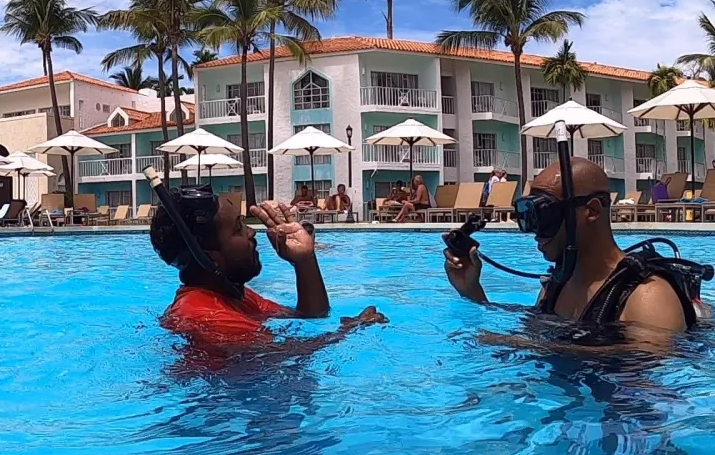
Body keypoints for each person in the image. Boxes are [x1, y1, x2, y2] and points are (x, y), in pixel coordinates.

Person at [444, 157, 693, 339]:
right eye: (527, 215)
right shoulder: (558, 282)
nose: (534, 230)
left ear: (592, 211)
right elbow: (535, 330)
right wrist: (472, 292)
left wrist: (527, 347)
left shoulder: (646, 297)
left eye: (544, 214)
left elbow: (651, 386)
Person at [149, 186, 385, 349]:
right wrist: (352, 329)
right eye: (238, 229)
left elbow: (310, 316)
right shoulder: (203, 315)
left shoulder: (231, 294)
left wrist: (304, 260)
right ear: (210, 259)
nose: (252, 233)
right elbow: (284, 354)